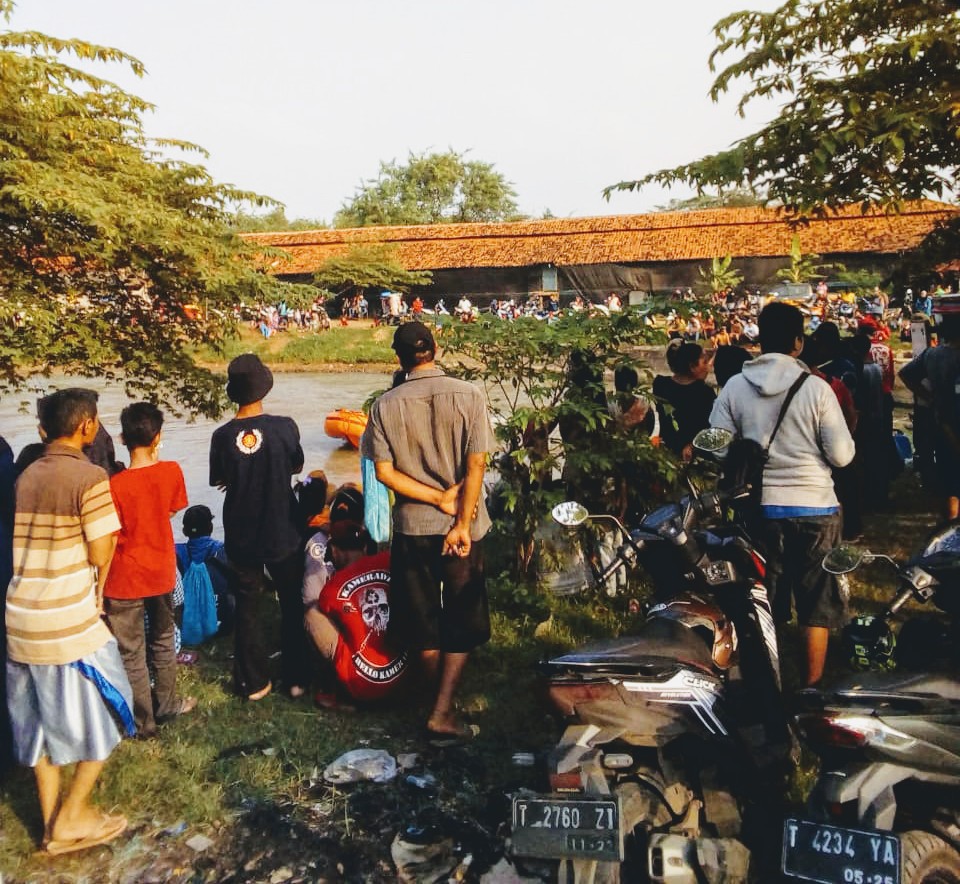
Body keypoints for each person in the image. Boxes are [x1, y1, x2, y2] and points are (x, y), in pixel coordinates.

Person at [5, 388, 133, 854]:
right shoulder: (89, 476)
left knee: (38, 728)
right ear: (88, 426)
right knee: (113, 708)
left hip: (20, 617)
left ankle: (50, 826)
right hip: (68, 620)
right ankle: (74, 813)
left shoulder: (27, 475)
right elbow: (101, 551)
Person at [361, 321, 494, 744]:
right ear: (435, 348)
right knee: (462, 611)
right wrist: (459, 520)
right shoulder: (468, 394)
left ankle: (438, 699)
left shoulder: (384, 405)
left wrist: (434, 499)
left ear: (398, 359)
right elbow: (476, 465)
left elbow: (384, 473)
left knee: (420, 616)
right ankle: (442, 708)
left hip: (414, 527)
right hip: (465, 524)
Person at [710, 303, 855, 686]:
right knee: (815, 604)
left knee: (765, 604)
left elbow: (716, 447)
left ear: (759, 338)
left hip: (760, 510)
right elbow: (842, 455)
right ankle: (812, 689)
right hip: (816, 507)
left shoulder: (735, 387)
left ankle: (767, 686)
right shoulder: (817, 389)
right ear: (798, 342)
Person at [209, 353, 308, 701]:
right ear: (264, 387)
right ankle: (296, 679)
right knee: (292, 602)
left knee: (248, 604)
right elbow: (296, 466)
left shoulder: (221, 436)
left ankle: (255, 682)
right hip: (284, 528)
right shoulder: (285, 426)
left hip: (241, 531)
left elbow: (219, 479)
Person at [102, 403, 195, 737]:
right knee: (163, 639)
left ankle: (143, 723)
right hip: (160, 571)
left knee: (132, 651)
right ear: (158, 437)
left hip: (124, 577)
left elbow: (110, 537)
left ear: (123, 437)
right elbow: (170, 509)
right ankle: (167, 704)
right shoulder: (171, 471)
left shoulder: (114, 485)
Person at [304, 520, 408, 705]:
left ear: (334, 551)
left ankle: (333, 687)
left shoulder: (332, 589)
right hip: (402, 682)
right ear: (366, 546)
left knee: (312, 614)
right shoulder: (389, 561)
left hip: (362, 685)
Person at [899, 314, 960, 519]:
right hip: (953, 422)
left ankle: (949, 527)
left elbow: (905, 374)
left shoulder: (932, 355)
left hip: (940, 422)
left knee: (949, 481)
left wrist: (929, 397)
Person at [175, 504, 234, 637]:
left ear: (185, 531)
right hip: (222, 616)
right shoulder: (223, 550)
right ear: (210, 527)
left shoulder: (176, 552)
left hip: (188, 617)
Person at [652, 340, 716, 461]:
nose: (708, 368)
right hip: (694, 455)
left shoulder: (660, 385)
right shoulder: (704, 393)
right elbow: (711, 429)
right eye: (705, 362)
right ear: (692, 366)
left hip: (666, 452)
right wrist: (692, 446)